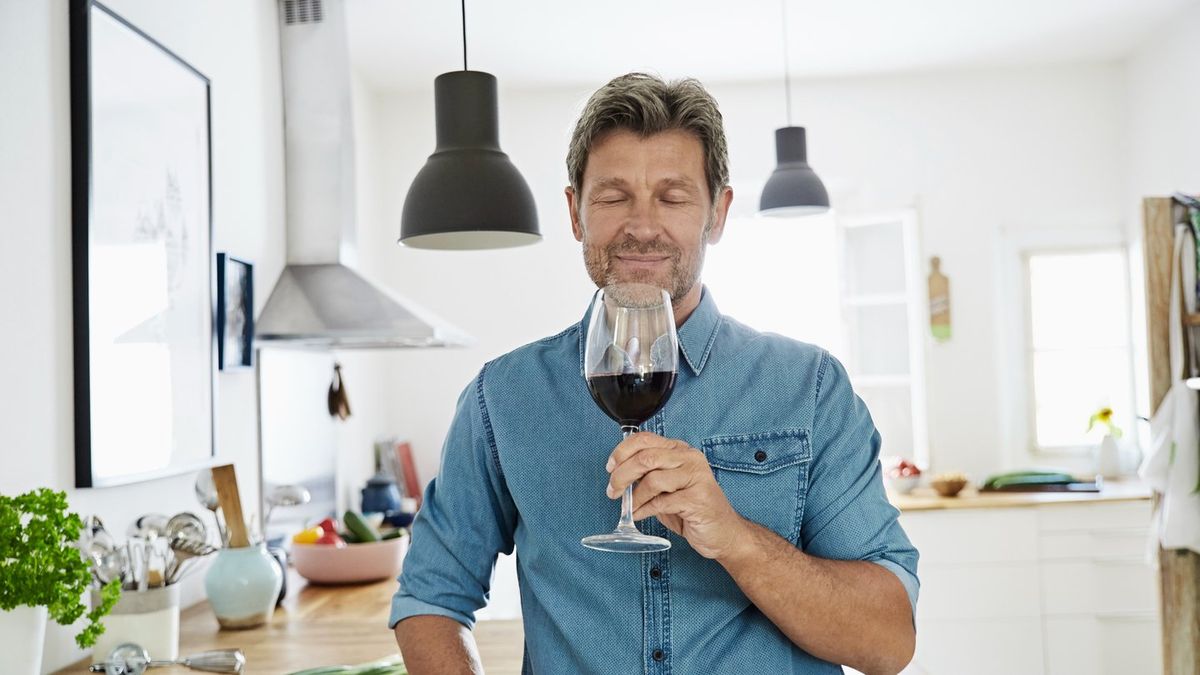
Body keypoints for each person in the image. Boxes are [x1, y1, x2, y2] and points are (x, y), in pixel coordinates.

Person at [390, 72, 919, 675]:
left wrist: (736, 539)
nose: (642, 226)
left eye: (672, 197)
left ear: (717, 214)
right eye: (614, 197)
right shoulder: (503, 397)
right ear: (575, 213)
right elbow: (430, 599)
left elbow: (888, 642)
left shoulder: (811, 387)